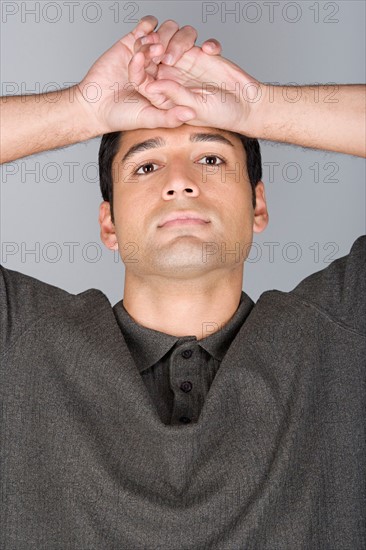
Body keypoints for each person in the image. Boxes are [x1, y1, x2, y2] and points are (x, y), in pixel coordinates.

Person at [1, 15, 365, 550]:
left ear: (258, 203)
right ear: (109, 223)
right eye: (146, 167)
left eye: (212, 157)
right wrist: (82, 109)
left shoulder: (343, 331)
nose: (180, 182)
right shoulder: (19, 341)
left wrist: (258, 107)